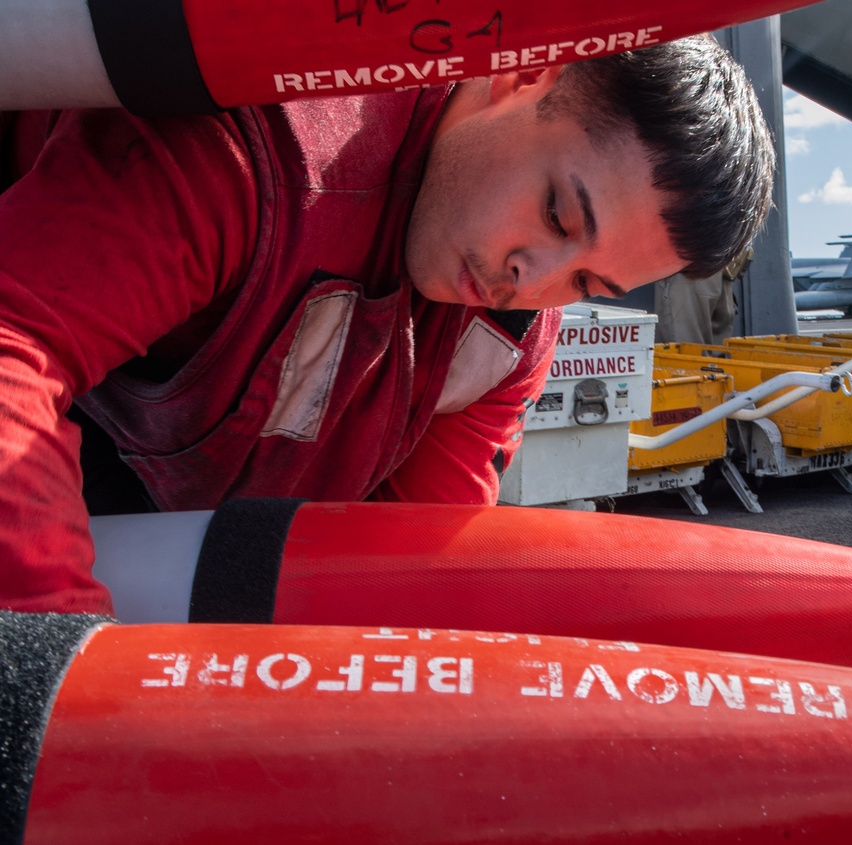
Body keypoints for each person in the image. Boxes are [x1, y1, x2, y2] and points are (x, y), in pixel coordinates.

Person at [0, 34, 774, 615]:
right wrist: (67, 675)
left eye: (585, 281)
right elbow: (13, 344)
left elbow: (413, 566)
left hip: (225, 550)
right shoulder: (256, 145)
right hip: (61, 476)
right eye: (555, 213)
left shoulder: (505, 343)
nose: (529, 279)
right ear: (523, 75)